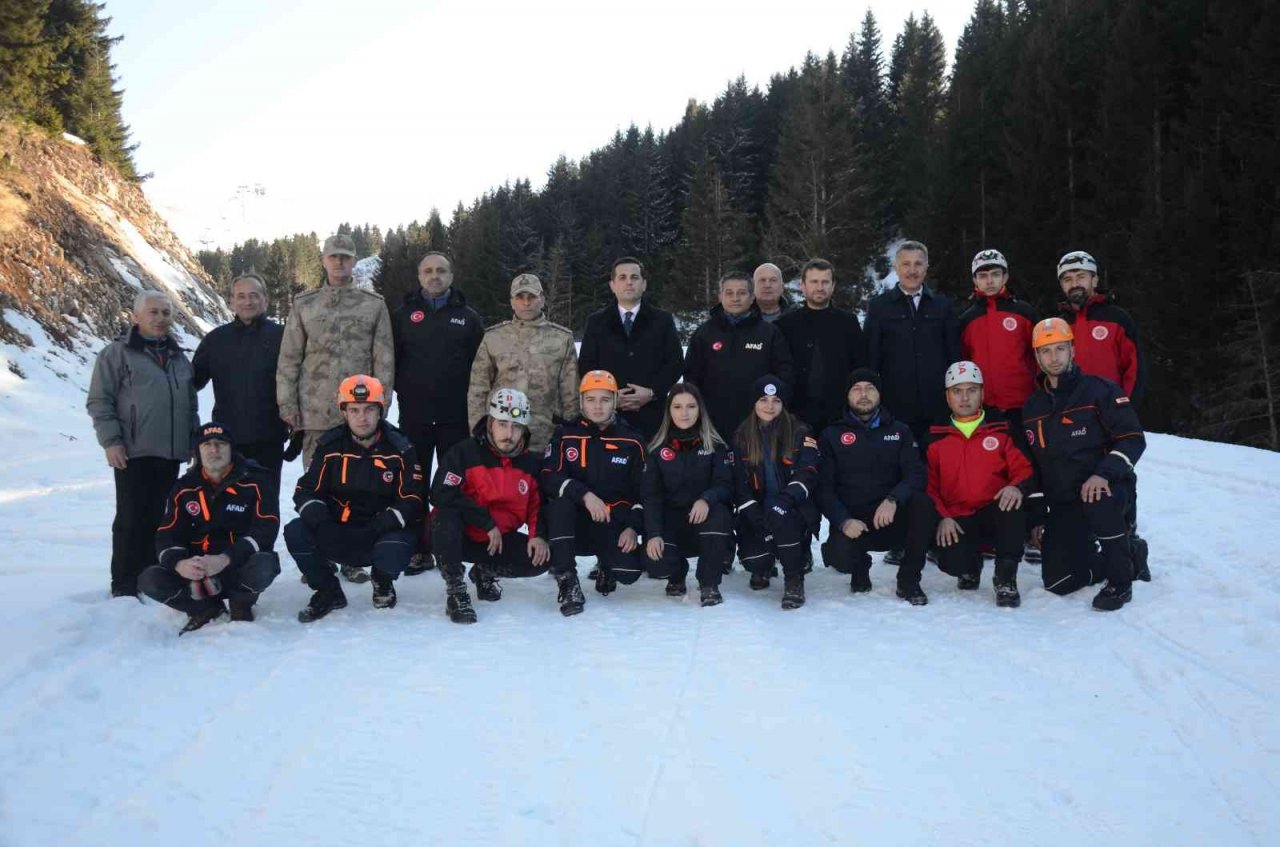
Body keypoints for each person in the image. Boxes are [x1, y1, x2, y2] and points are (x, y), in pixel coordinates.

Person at [1021, 318, 1148, 611]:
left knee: (1097, 500)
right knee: (1058, 581)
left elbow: (1132, 438)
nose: (1054, 357)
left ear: (1073, 350)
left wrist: (1103, 474)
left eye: (1060, 349)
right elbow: (1035, 467)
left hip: (1107, 489)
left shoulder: (1100, 391)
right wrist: (1039, 517)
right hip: (1065, 501)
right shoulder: (1032, 407)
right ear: (1037, 358)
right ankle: (1125, 557)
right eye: (1045, 351)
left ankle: (1120, 582)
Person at [431, 388, 583, 621]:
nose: (508, 433)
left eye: (516, 427)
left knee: (541, 558)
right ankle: (456, 591)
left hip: (499, 540)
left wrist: (537, 535)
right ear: (490, 422)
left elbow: (536, 505)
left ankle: (484, 571)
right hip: (461, 536)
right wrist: (485, 521)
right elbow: (441, 493)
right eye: (502, 424)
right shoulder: (464, 453)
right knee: (444, 518)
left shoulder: (530, 464)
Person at [284, 375, 424, 622]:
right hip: (336, 530)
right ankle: (328, 590)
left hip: (379, 533)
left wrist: (377, 527)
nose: (362, 417)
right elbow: (306, 490)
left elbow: (411, 499)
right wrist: (323, 523)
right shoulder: (329, 446)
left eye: (369, 409)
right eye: (355, 409)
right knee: (296, 531)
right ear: (344, 412)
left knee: (402, 541)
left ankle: (382, 581)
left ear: (380, 411)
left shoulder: (400, 449)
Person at [86, 291, 199, 597]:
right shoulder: (116, 354)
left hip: (171, 452)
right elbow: (99, 401)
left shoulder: (178, 357)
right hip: (133, 451)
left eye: (165, 312)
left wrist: (193, 440)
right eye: (153, 312)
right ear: (136, 316)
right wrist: (111, 441)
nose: (160, 318)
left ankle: (150, 576)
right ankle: (123, 583)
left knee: (161, 517)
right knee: (130, 518)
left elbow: (190, 403)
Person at [391, 250, 484, 575]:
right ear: (419, 277)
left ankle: (452, 544)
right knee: (413, 483)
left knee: (452, 484)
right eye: (428, 271)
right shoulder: (403, 316)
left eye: (441, 270)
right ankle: (418, 549)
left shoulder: (468, 317)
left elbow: (481, 368)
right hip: (414, 416)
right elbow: (391, 363)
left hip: (455, 418)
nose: (434, 276)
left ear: (451, 276)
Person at [139, 422, 281, 634]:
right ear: (198, 451)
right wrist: (180, 563)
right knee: (149, 579)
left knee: (265, 564)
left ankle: (240, 605)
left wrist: (225, 558)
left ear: (231, 449)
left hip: (236, 565)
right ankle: (204, 609)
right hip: (197, 571)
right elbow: (168, 533)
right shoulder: (184, 487)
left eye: (220, 444)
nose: (214, 450)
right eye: (207, 445)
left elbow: (266, 529)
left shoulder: (256, 482)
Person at [276, 233, 395, 471]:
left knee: (360, 484)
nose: (339, 262)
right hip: (315, 412)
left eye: (345, 257)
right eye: (333, 256)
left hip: (360, 414)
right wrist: (287, 405)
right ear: (323, 260)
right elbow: (289, 359)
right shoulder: (304, 304)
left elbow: (384, 360)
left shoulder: (373, 305)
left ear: (354, 261)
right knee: (316, 481)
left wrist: (382, 405)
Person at [816, 368, 934, 605]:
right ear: (847, 395)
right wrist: (843, 521)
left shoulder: (899, 431)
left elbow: (916, 474)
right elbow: (823, 488)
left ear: (879, 394)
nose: (864, 394)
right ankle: (859, 567)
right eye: (856, 389)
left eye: (870, 388)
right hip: (855, 524)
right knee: (839, 556)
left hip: (889, 519)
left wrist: (894, 499)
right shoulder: (831, 435)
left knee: (923, 505)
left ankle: (908, 578)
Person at [923, 361, 1032, 607]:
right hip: (956, 517)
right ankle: (969, 567)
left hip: (995, 512)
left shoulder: (1002, 428)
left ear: (982, 393)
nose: (964, 398)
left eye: (971, 390)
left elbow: (1023, 468)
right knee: (952, 560)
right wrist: (942, 517)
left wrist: (1016, 486)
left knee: (1012, 503)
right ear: (948, 397)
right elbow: (927, 485)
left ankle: (1005, 578)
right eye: (957, 391)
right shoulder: (934, 435)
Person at [541, 370, 647, 598]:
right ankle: (567, 581)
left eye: (605, 399)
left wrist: (632, 527)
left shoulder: (632, 440)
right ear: (581, 402)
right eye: (590, 399)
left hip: (612, 521)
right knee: (559, 505)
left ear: (615, 402)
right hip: (574, 521)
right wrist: (585, 495)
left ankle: (607, 566)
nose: (597, 406)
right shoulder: (565, 435)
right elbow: (549, 476)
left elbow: (644, 492)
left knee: (628, 571)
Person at [192, 272, 288, 501]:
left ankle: (262, 539)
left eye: (254, 295)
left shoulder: (283, 337)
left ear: (265, 299)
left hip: (269, 437)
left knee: (265, 501)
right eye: (241, 296)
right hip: (226, 440)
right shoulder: (216, 340)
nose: (248, 302)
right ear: (231, 301)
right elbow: (189, 383)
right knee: (227, 501)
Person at [643, 383, 736, 607]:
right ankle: (677, 572)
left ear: (700, 410)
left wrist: (706, 499)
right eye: (677, 407)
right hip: (672, 522)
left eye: (691, 406)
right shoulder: (656, 449)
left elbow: (725, 485)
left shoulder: (715, 445)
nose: (684, 413)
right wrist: (654, 533)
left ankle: (709, 583)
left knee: (720, 514)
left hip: (704, 519)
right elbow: (651, 496)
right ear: (669, 411)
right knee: (655, 563)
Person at [732, 375, 819, 610]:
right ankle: (765, 564)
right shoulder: (741, 436)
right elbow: (739, 482)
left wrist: (785, 500)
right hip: (759, 507)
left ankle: (794, 578)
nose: (769, 406)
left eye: (776, 400)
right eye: (763, 399)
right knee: (754, 560)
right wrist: (752, 511)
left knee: (785, 522)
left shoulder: (801, 431)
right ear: (753, 403)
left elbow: (807, 472)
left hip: (792, 506)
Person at [468, 273, 578, 452]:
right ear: (512, 301)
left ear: (542, 299)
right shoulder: (494, 337)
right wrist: (478, 427)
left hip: (545, 435)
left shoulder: (561, 339)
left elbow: (570, 392)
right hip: (502, 435)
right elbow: (478, 389)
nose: (526, 303)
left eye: (532, 297)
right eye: (520, 297)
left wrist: (571, 432)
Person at [865, 240, 961, 444]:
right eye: (906, 264)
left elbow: (954, 355)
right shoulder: (879, 307)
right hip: (895, 407)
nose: (912, 270)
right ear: (896, 268)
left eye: (918, 264)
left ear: (926, 267)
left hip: (937, 406)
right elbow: (871, 359)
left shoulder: (942, 306)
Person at [577, 257, 684, 440]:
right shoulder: (597, 322)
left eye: (634, 277)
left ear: (644, 284)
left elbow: (675, 363)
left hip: (652, 417)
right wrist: (609, 395)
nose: (629, 282)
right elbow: (587, 364)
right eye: (622, 277)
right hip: (608, 417)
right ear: (612, 285)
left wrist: (652, 393)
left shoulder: (662, 320)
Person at [683, 270, 794, 440]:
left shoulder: (769, 333)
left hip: (758, 424)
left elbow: (784, 375)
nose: (735, 298)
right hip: (714, 424)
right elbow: (691, 378)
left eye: (742, 293)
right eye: (729, 293)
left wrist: (772, 409)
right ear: (720, 296)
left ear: (752, 297)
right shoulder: (704, 333)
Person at [776, 257, 867, 433]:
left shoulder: (848, 322)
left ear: (833, 286)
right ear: (802, 285)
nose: (819, 287)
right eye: (814, 281)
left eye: (825, 282)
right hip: (796, 415)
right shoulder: (786, 324)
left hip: (840, 414)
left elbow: (860, 366)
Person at [957, 249, 1038, 431]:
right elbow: (963, 362)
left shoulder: (1025, 313)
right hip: (984, 409)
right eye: (983, 275)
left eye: (995, 274)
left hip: (1024, 405)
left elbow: (1039, 357)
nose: (989, 281)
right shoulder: (966, 320)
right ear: (975, 280)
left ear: (1005, 276)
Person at [1054, 250, 1144, 403]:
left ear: (1094, 280)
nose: (1074, 284)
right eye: (1067, 279)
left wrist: (1126, 406)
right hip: (1071, 414)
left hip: (1113, 411)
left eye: (1081, 277)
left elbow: (1134, 368)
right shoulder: (1057, 326)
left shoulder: (1117, 318)